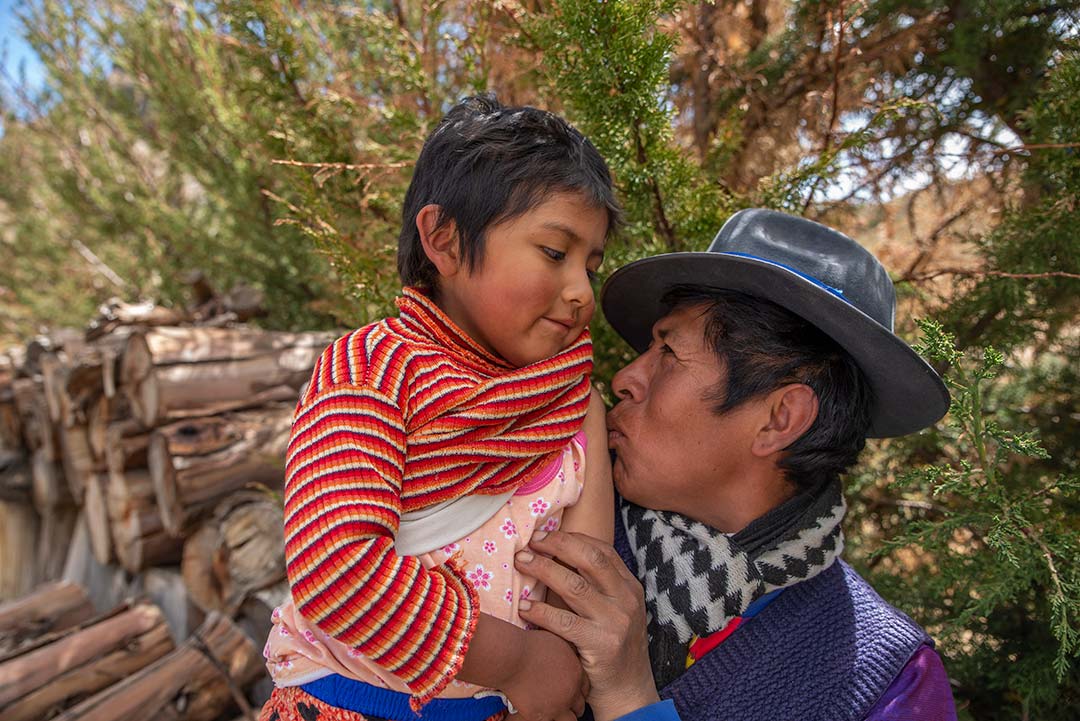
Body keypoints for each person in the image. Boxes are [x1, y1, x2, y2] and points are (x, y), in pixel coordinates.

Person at [513, 208, 959, 721]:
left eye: (669, 353)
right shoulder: (544, 514)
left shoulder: (891, 684)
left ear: (779, 418)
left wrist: (629, 699)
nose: (625, 378)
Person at [258, 94, 620, 721]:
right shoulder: (371, 371)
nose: (581, 292)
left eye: (593, 264)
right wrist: (519, 663)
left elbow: (585, 574)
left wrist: (557, 667)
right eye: (556, 254)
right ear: (444, 240)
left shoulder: (572, 400)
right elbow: (337, 571)